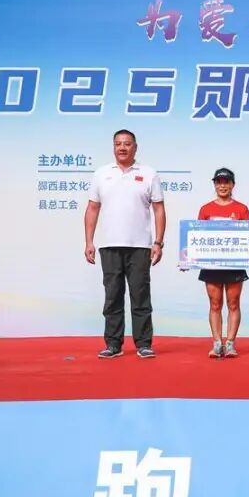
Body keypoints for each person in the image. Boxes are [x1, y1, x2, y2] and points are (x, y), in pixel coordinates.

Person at [84, 129, 166, 359]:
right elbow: (92, 208)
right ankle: (113, 344)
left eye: (127, 144)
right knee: (112, 296)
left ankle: (144, 344)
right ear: (113, 147)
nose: (122, 147)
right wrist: (89, 241)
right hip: (109, 244)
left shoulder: (148, 173)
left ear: (135, 147)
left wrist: (158, 242)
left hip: (140, 246)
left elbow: (159, 209)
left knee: (140, 296)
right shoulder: (101, 173)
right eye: (118, 143)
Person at [197, 168, 249, 358]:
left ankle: (231, 344)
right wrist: (188, 260)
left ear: (233, 185)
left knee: (233, 303)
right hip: (211, 264)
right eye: (219, 182)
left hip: (234, 263)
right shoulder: (205, 209)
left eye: (226, 182)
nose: (222, 186)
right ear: (214, 185)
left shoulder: (242, 209)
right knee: (215, 304)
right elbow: (197, 237)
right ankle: (217, 343)